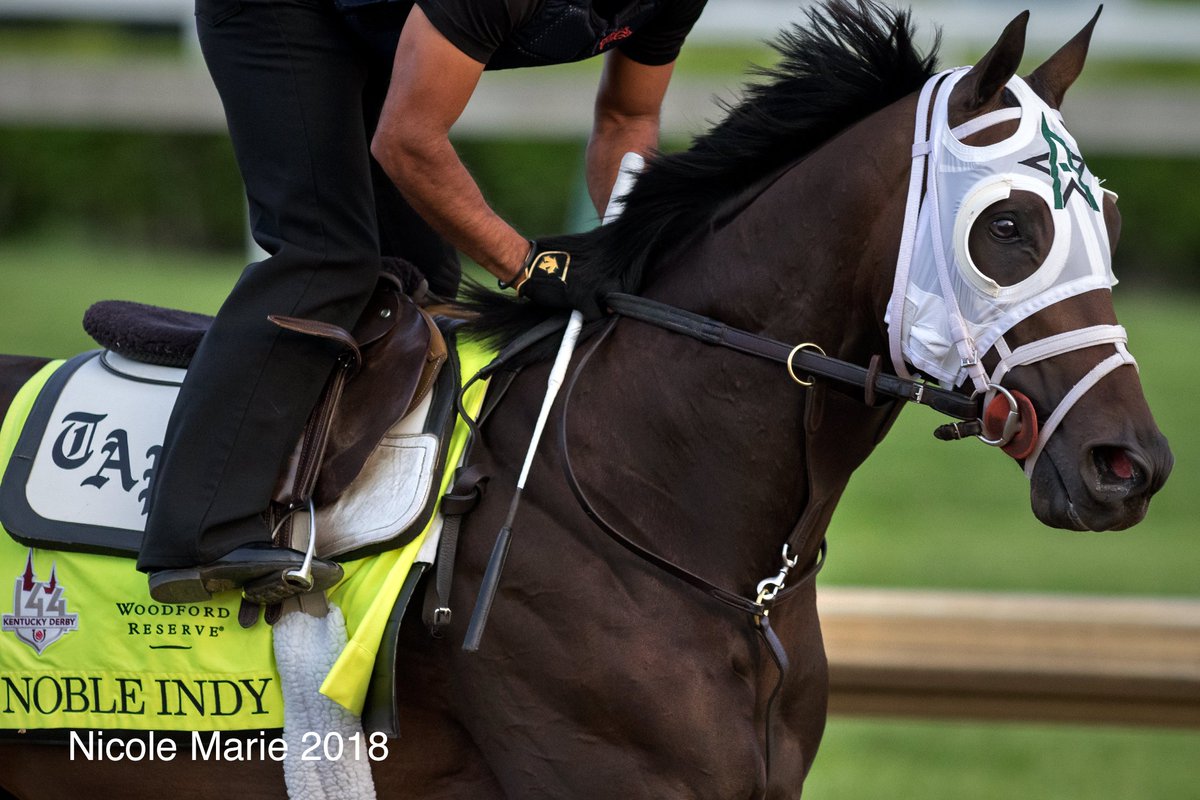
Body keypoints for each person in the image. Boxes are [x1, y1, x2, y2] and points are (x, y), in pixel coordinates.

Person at [137, 0, 709, 603]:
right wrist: (526, 265)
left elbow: (627, 117)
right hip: (279, 11)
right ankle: (200, 529)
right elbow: (407, 140)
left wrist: (630, 252)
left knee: (422, 281)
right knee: (327, 256)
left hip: (365, 24)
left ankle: (354, 510)